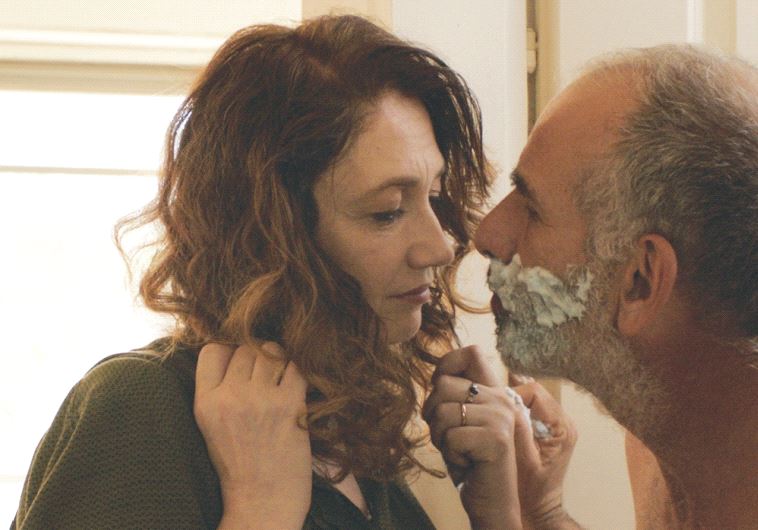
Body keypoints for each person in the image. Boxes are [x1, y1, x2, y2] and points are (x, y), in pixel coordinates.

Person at [10, 13, 547, 529]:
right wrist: (260, 513)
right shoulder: (141, 408)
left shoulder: (349, 426)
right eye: (387, 212)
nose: (440, 245)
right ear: (271, 233)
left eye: (434, 195)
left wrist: (499, 515)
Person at [426, 43, 758, 529]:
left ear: (640, 281)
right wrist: (543, 513)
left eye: (532, 208)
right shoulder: (666, 424)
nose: (488, 234)